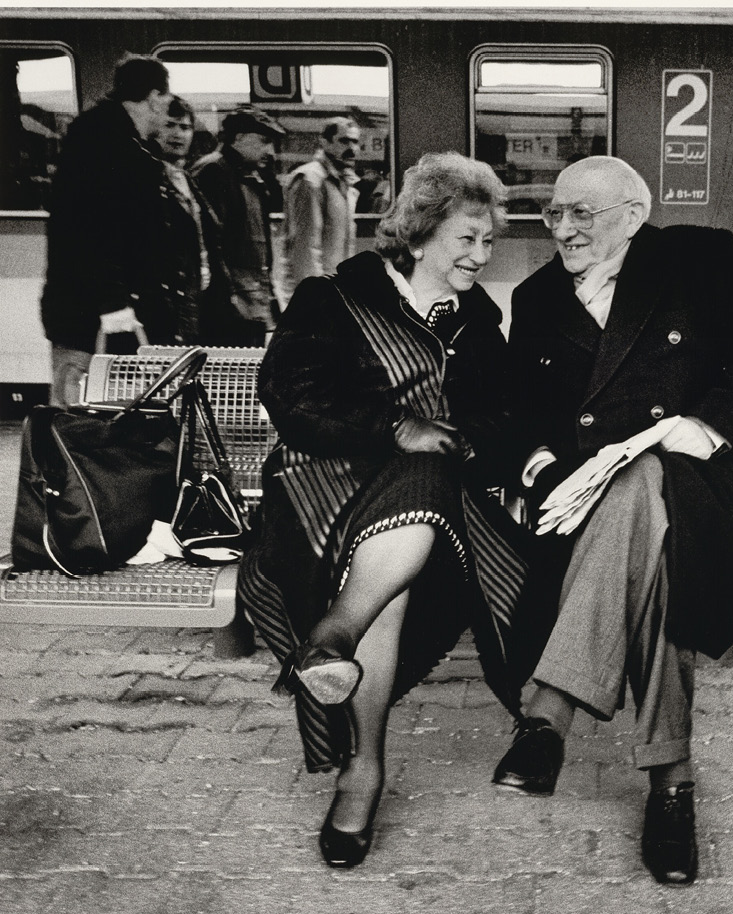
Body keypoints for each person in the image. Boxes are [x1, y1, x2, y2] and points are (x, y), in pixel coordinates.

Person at [495, 156, 733, 885]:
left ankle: (551, 712)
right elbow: (517, 413)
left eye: (581, 215)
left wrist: (709, 427)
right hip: (581, 507)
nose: (562, 229)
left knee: (649, 477)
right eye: (553, 215)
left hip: (694, 483)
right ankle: (672, 784)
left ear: (633, 214)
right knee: (655, 563)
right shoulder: (537, 297)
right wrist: (540, 467)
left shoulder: (696, 260)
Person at [236, 152, 529, 871]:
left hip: (426, 502)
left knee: (420, 495)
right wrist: (395, 428)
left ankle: (339, 665)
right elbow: (294, 399)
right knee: (396, 554)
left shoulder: (479, 322)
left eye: (489, 241)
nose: (480, 255)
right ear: (422, 232)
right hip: (321, 485)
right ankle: (361, 758)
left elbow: (504, 419)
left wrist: (460, 443)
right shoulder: (333, 298)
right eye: (467, 238)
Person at [39, 53, 171, 405]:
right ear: (156, 97)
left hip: (100, 304)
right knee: (76, 411)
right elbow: (89, 230)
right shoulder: (106, 145)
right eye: (166, 100)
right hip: (91, 309)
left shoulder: (111, 141)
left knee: (95, 413)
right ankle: (57, 461)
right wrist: (113, 301)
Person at [191, 104, 285, 346]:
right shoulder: (213, 171)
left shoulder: (249, 176)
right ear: (239, 137)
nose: (270, 151)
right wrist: (229, 297)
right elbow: (212, 243)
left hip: (249, 299)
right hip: (231, 304)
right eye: (264, 140)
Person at [151, 94, 227, 345]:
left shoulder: (186, 178)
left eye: (185, 127)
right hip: (171, 299)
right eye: (169, 125)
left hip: (195, 297)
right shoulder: (151, 179)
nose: (178, 134)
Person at [283, 116, 360, 297]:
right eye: (344, 141)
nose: (352, 149)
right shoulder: (311, 180)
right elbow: (305, 248)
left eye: (355, 142)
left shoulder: (343, 183)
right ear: (324, 142)